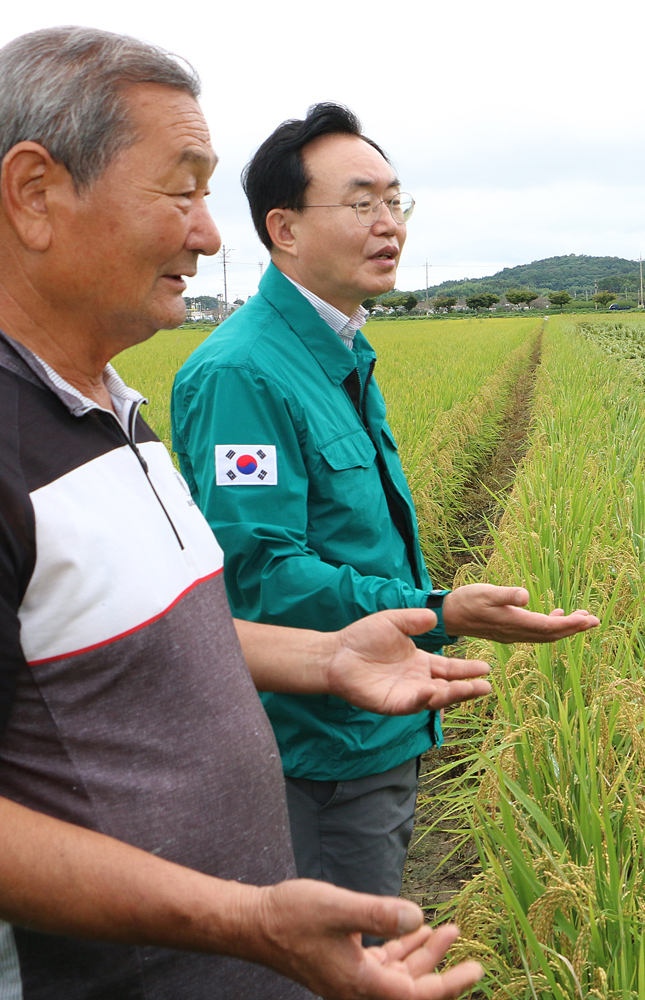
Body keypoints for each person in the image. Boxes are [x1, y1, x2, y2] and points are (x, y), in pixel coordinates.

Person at [0, 27, 488, 1000]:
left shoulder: (111, 415)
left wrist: (325, 658)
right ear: (36, 193)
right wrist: (245, 918)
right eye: (182, 190)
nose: (209, 236)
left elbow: (158, 639)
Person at [170, 105, 599, 903]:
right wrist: (438, 610)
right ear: (284, 229)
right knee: (343, 959)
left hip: (375, 729)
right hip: (319, 751)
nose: (388, 224)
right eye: (361, 202)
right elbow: (262, 575)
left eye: (396, 201)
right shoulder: (244, 374)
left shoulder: (339, 348)